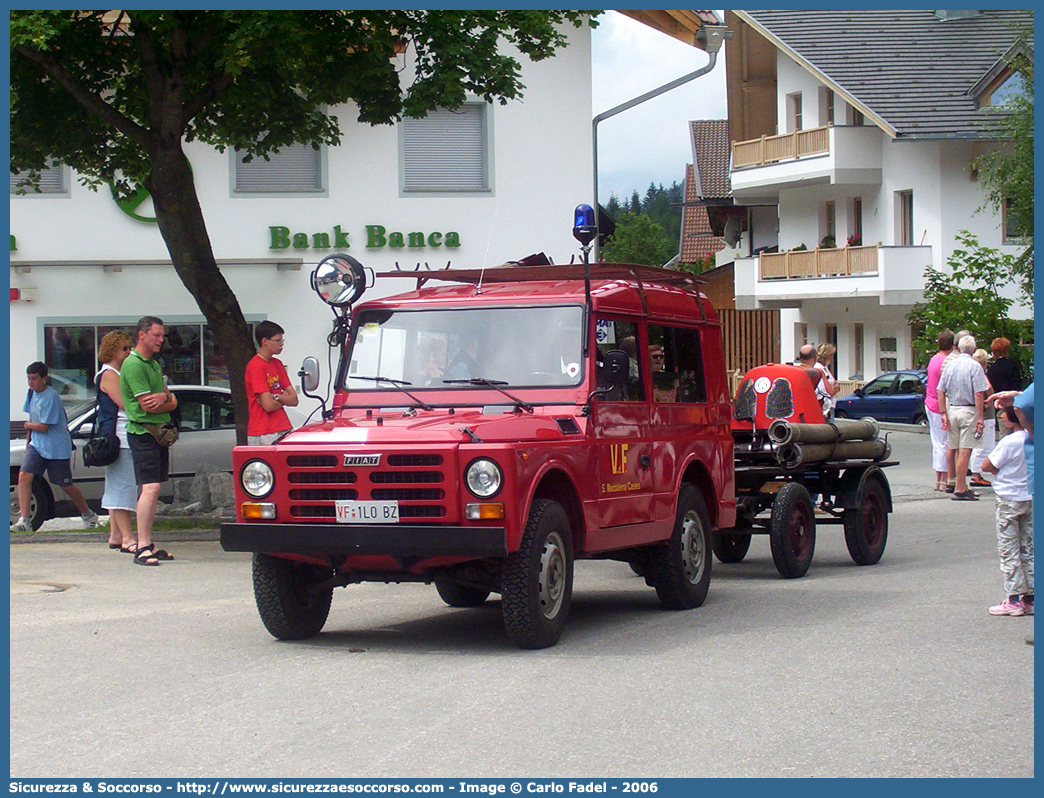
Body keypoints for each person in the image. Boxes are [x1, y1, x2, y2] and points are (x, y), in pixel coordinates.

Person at [11, 362, 99, 531]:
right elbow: (31, 418)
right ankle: (24, 520)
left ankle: (88, 514)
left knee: (64, 484)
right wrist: (28, 443)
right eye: (28, 379)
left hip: (56, 447)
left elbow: (43, 426)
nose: (31, 382)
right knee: (24, 476)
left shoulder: (51, 397)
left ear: (44, 378)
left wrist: (29, 426)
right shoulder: (31, 394)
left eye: (34, 379)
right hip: (37, 445)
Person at [120, 316, 178, 566]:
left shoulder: (154, 364)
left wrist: (165, 399)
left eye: (162, 335)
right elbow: (147, 405)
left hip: (158, 433)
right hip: (143, 432)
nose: (161, 340)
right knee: (150, 488)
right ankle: (141, 546)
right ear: (141, 335)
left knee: (153, 490)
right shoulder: (133, 365)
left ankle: (148, 542)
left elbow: (171, 401)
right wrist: (165, 399)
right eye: (156, 335)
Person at [980, 405, 1033, 617]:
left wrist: (996, 469)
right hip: (1029, 496)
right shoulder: (1033, 439)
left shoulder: (1010, 441)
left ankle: (1013, 598)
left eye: (1004, 413)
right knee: (1028, 547)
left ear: (1013, 419)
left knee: (1008, 548)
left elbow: (987, 465)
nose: (1001, 416)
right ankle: (1031, 598)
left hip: (1008, 498)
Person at [96, 331, 138, 553]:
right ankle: (128, 538)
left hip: (120, 437)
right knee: (123, 488)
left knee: (116, 486)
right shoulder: (109, 375)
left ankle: (115, 534)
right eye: (124, 348)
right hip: (120, 437)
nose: (128, 352)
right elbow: (124, 403)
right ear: (112, 351)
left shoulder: (115, 373)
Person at [937, 334, 988, 500]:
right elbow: (979, 393)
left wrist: (943, 412)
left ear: (958, 347)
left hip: (953, 409)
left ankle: (959, 484)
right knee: (965, 450)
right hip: (968, 410)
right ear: (973, 349)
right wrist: (980, 417)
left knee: (956, 448)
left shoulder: (950, 365)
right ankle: (960, 488)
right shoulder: (974, 366)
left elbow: (940, 390)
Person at [245, 320, 299, 445]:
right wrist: (284, 398)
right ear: (264, 341)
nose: (281, 344)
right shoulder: (256, 366)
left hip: (283, 427)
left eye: (282, 341)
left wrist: (276, 397)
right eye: (278, 340)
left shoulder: (277, 364)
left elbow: (294, 400)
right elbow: (269, 406)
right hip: (263, 431)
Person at [925, 329, 954, 491]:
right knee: (944, 443)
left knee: (937, 442)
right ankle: (943, 479)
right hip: (939, 404)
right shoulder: (946, 362)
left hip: (930, 402)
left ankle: (938, 479)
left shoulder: (934, 359)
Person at [968, 348, 995, 488]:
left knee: (978, 444)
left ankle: (976, 473)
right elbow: (989, 387)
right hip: (986, 414)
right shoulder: (981, 374)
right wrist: (991, 397)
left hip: (976, 413)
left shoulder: (971, 373)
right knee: (985, 444)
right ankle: (976, 474)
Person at [987, 337, 1021, 438]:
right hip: (1015, 404)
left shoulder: (992, 369)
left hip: (1001, 406)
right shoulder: (1013, 365)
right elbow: (1017, 385)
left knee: (1004, 436)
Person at [798, 344, 832, 417]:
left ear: (800, 357)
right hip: (814, 415)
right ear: (815, 358)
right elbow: (829, 393)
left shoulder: (793, 371)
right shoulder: (817, 373)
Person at [814, 343, 838, 420]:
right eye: (831, 355)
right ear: (828, 355)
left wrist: (834, 388)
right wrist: (834, 389)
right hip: (824, 408)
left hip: (830, 406)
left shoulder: (825, 367)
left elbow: (836, 384)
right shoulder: (818, 368)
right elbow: (830, 392)